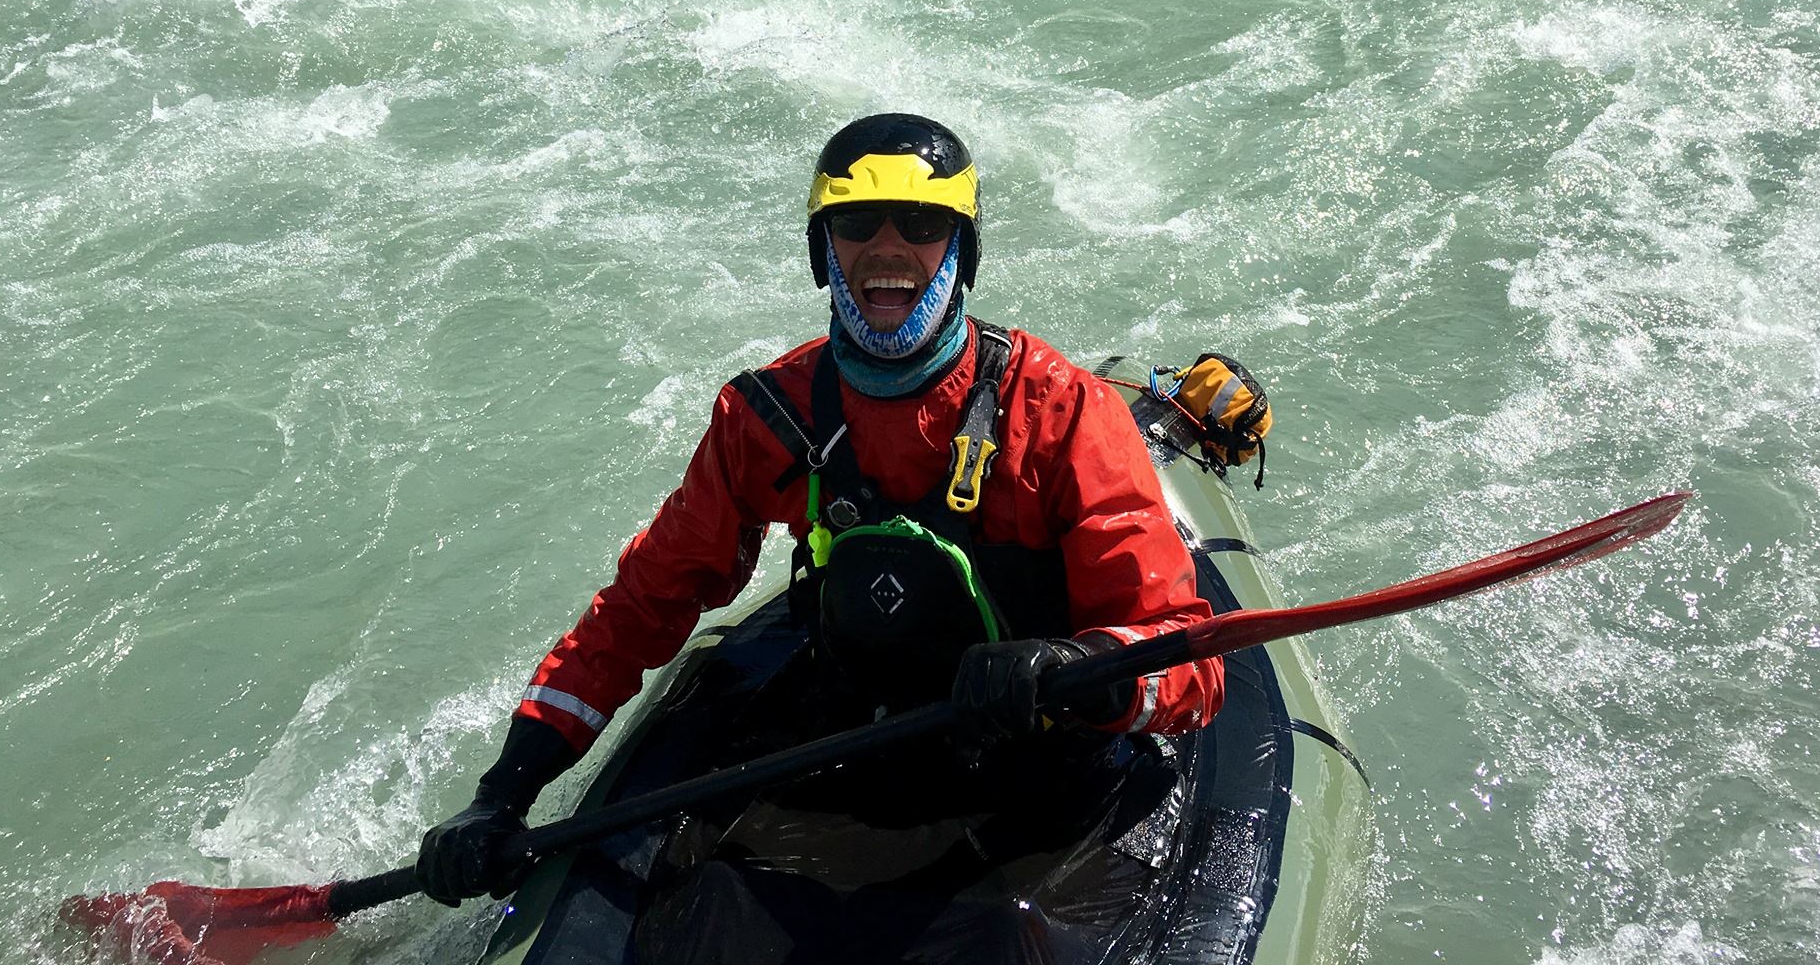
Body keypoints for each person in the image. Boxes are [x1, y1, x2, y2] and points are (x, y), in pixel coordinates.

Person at [417, 113, 1224, 905]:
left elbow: (1189, 659)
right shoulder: (769, 416)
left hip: (1043, 757)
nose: (887, 248)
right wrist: (504, 791)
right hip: (867, 736)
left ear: (961, 250)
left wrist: (1075, 671)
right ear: (821, 248)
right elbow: (640, 607)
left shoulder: (1061, 413)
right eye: (856, 223)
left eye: (921, 222)